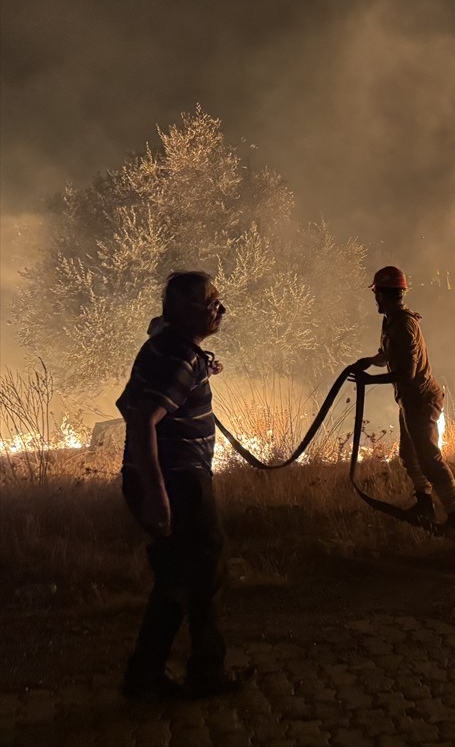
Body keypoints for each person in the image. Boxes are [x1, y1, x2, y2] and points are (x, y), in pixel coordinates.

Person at [117, 271, 246, 701]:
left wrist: (202, 365)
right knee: (205, 573)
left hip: (167, 479)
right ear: (183, 310)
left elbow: (131, 400)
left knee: (174, 579)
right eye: (210, 302)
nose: (219, 309)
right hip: (178, 482)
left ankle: (145, 677)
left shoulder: (166, 347)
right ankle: (204, 673)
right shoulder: (178, 358)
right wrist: (158, 495)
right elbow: (141, 419)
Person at [351, 266, 455, 534]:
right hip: (409, 400)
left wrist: (368, 382)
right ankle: (425, 503)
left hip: (422, 401)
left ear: (383, 294)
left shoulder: (403, 325)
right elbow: (386, 355)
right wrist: (369, 362)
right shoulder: (390, 320)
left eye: (376, 294)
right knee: (409, 455)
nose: (375, 300)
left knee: (429, 458)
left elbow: (406, 373)